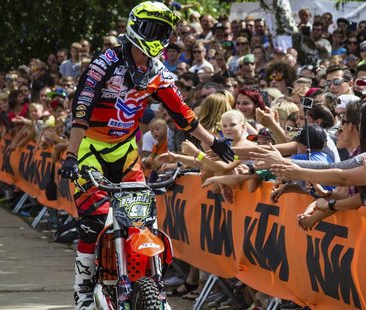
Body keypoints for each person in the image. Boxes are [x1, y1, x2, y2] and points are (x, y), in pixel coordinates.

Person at [57, 3, 234, 309]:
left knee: (142, 220)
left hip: (126, 151)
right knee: (95, 221)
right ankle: (83, 290)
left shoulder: (158, 72)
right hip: (89, 148)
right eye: (154, 29)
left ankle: (147, 285)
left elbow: (182, 113)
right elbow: (82, 109)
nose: (159, 37)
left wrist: (213, 143)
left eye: (164, 32)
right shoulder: (105, 62)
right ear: (135, 25)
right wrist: (71, 155)